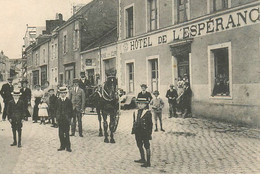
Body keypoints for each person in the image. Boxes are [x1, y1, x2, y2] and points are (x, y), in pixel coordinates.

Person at [132, 97, 153, 167]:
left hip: (145, 132)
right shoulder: (136, 112)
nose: (140, 105)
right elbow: (134, 121)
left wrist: (149, 133)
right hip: (138, 131)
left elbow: (150, 124)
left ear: (145, 105)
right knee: (139, 144)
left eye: (142, 104)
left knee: (147, 145)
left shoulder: (148, 113)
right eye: (139, 104)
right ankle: (143, 158)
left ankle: (148, 162)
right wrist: (133, 129)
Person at [56, 87, 73, 152]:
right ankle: (62, 146)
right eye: (61, 93)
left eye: (64, 93)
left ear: (66, 93)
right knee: (60, 134)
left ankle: (68, 147)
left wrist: (70, 118)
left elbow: (71, 111)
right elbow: (56, 109)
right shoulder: (58, 101)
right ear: (60, 94)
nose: (63, 94)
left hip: (66, 119)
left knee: (67, 133)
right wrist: (56, 118)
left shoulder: (68, 101)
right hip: (60, 119)